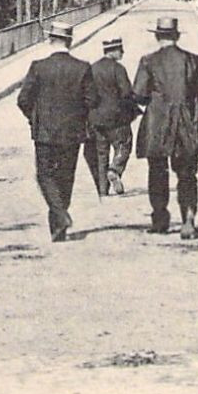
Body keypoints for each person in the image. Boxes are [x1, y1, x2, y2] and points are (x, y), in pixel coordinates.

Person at [132, 16, 198, 239]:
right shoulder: (193, 60)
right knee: (188, 173)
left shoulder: (148, 61)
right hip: (186, 124)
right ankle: (188, 220)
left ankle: (160, 219)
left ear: (158, 36)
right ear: (176, 36)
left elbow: (138, 94)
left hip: (157, 125)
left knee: (157, 172)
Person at [17, 23, 98, 242]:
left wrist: (34, 119)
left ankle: (60, 218)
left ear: (51, 40)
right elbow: (92, 100)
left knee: (45, 175)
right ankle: (59, 224)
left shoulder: (38, 67)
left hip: (44, 133)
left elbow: (23, 100)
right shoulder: (82, 67)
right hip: (72, 132)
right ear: (69, 41)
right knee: (66, 176)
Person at [84, 37, 136, 197]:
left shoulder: (92, 68)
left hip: (96, 119)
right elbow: (127, 92)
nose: (122, 53)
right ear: (113, 51)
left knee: (101, 153)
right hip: (117, 118)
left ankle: (102, 189)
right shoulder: (118, 69)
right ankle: (115, 169)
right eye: (120, 50)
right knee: (124, 145)